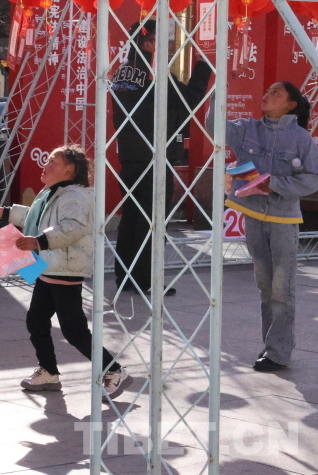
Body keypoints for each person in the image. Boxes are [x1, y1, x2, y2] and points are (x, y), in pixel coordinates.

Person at [0, 146, 132, 398]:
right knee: (36, 320)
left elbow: (73, 228)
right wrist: (5, 212)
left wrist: (39, 241)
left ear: (70, 169)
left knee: (73, 330)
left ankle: (113, 370)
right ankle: (48, 371)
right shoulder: (55, 193)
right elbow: (37, 217)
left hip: (65, 269)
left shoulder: (74, 196)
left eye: (52, 161)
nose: (45, 165)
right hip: (51, 267)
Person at [208, 81, 318, 372]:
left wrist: (275, 184)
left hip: (284, 221)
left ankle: (278, 353)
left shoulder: (301, 138)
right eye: (268, 90)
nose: (267, 95)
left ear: (291, 105)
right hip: (253, 216)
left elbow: (312, 178)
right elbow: (215, 127)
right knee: (265, 287)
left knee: (282, 289)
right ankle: (271, 347)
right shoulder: (248, 128)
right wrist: (219, 89)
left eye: (276, 92)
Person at [111, 19, 212, 296]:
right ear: (148, 43)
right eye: (161, 43)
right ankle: (147, 280)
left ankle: (126, 277)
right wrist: (204, 66)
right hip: (154, 157)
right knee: (152, 222)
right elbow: (189, 99)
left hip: (130, 157)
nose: (165, 48)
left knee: (132, 218)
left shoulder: (122, 72)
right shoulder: (153, 74)